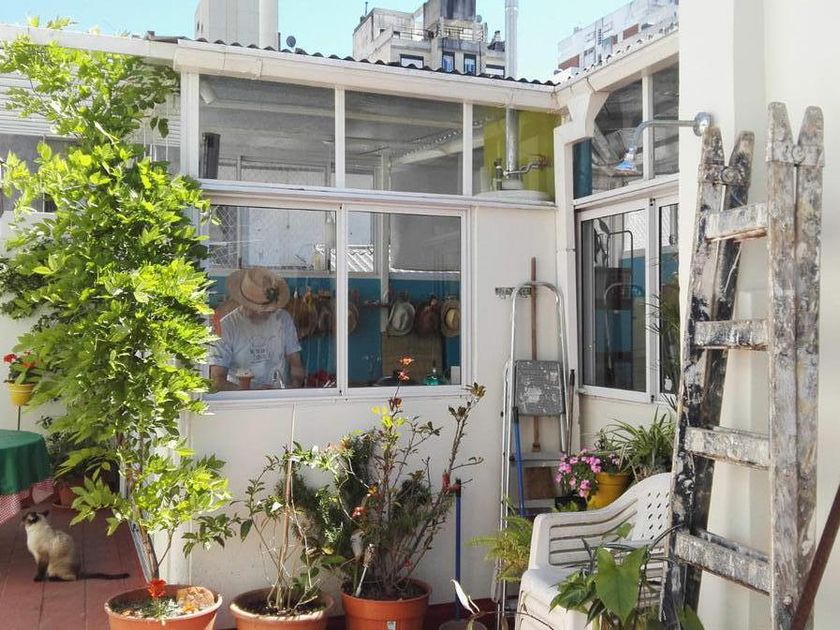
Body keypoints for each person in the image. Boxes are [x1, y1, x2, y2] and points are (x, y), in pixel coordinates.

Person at [208, 267, 305, 391]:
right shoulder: (226, 327)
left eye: (269, 309)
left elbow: (296, 365)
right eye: (260, 309)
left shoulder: (283, 319)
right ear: (245, 303)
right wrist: (253, 391)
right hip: (240, 398)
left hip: (278, 396)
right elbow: (217, 380)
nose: (265, 312)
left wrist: (295, 385)